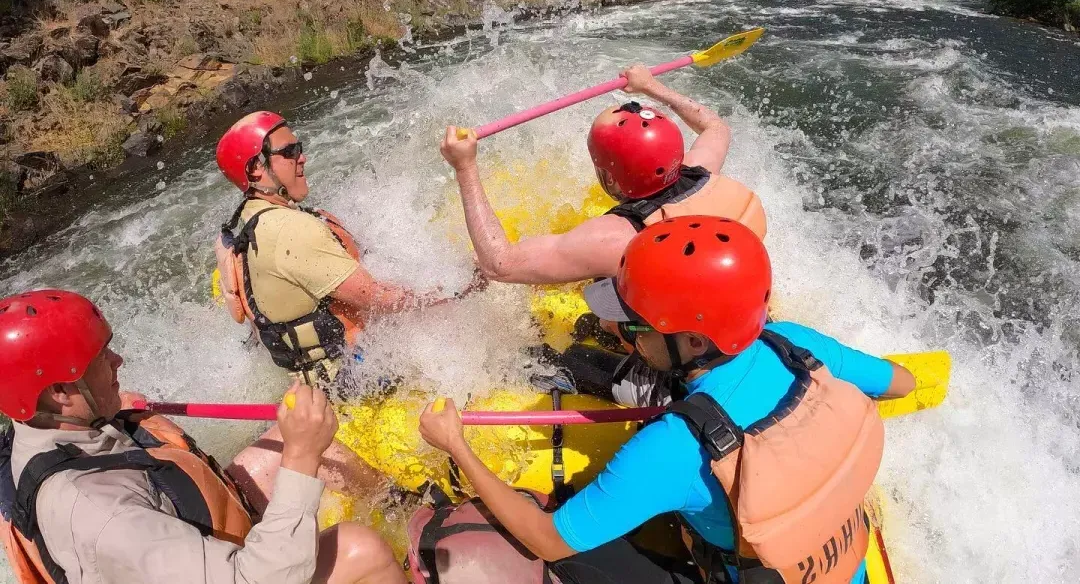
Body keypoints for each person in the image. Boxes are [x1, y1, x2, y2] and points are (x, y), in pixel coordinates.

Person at [418, 216, 917, 584]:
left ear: (695, 342)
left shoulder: (675, 447)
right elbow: (902, 382)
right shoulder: (797, 345)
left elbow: (548, 539)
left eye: (636, 327)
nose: (625, 338)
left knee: (511, 534)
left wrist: (457, 446)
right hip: (849, 565)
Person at [0, 289, 405, 584]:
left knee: (288, 442)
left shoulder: (54, 425)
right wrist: (301, 457)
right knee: (358, 548)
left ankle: (408, 510)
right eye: (99, 359)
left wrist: (111, 406)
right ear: (60, 392)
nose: (117, 360)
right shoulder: (101, 515)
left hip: (188, 554)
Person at [440, 65, 766, 287]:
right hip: (742, 310)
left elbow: (500, 265)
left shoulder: (613, 237)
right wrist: (653, 87)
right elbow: (714, 126)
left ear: (610, 180)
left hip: (679, 352)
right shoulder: (703, 173)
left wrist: (465, 167)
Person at [215, 111, 472, 386]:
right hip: (350, 382)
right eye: (290, 152)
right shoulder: (290, 231)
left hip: (309, 378)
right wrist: (457, 292)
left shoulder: (242, 225)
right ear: (256, 168)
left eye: (299, 148)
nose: (302, 157)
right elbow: (379, 299)